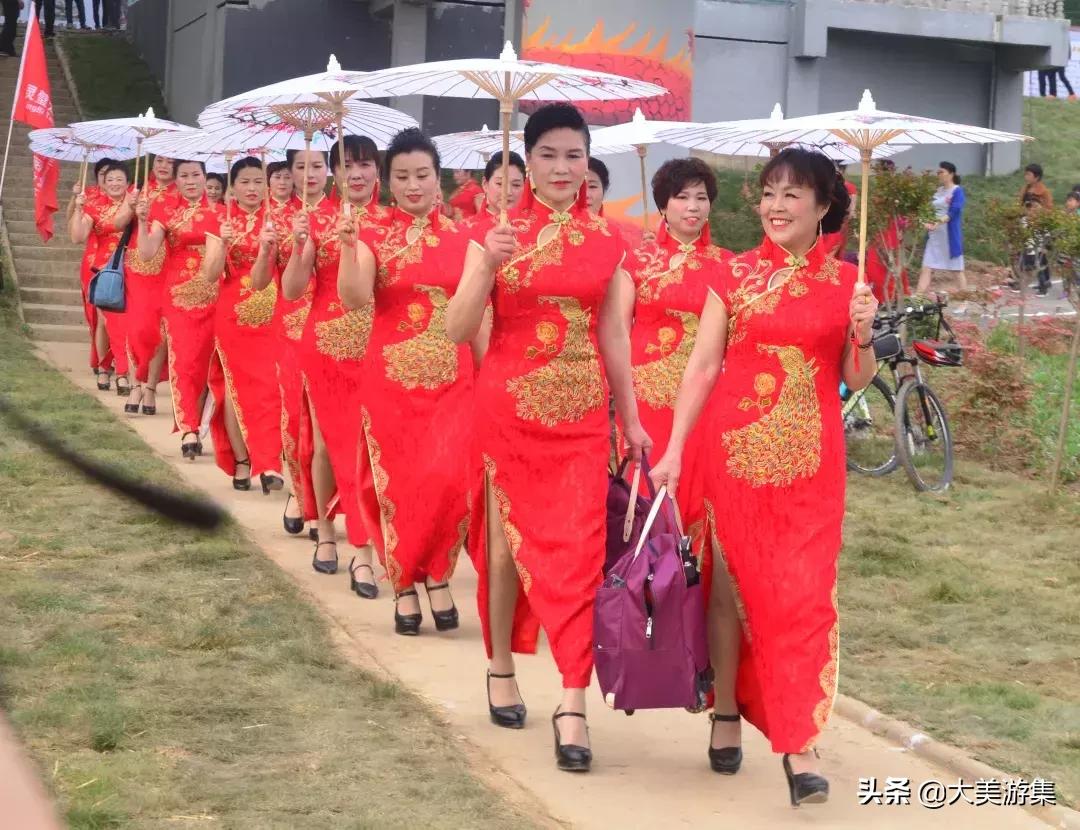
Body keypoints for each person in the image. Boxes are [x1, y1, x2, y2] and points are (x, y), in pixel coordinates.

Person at [648, 147, 877, 805]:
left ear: (825, 205)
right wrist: (674, 451)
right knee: (730, 584)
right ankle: (724, 709)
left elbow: (855, 380)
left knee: (802, 593)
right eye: (769, 193)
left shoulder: (850, 284)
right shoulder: (734, 275)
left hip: (811, 463)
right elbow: (701, 367)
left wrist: (863, 334)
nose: (776, 206)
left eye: (792, 194)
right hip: (734, 455)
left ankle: (797, 741)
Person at [445, 103, 650, 773]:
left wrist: (632, 417)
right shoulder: (492, 234)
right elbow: (454, 330)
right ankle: (500, 662)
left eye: (574, 156)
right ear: (526, 162)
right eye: (549, 156)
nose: (563, 168)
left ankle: (571, 701)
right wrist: (485, 267)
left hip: (584, 418)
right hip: (509, 409)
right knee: (505, 549)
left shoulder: (611, 242)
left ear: (587, 163)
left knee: (581, 555)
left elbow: (614, 335)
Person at [338, 127, 473, 634]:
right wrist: (349, 251)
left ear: (439, 180)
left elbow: (480, 313)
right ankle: (405, 582)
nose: (413, 185)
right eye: (403, 177)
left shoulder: (465, 241)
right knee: (397, 479)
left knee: (446, 480)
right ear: (388, 182)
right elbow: (354, 298)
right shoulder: (371, 234)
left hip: (454, 379)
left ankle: (437, 570)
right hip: (391, 379)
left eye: (423, 175)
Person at [281, 141, 382, 586]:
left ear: (379, 171)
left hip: (381, 349)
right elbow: (291, 290)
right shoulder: (318, 221)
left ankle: (371, 543)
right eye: (346, 166)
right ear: (334, 174)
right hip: (326, 343)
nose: (356, 174)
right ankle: (330, 531)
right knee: (328, 443)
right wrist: (303, 244)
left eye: (364, 164)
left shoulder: (396, 224)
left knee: (372, 449)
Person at [614, 158, 732, 490]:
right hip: (644, 401)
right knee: (643, 491)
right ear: (664, 204)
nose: (693, 206)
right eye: (682, 196)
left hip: (706, 400)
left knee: (699, 486)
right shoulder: (637, 261)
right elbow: (619, 333)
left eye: (701, 197)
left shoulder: (730, 267)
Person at [204, 157, 284, 494]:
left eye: (257, 182)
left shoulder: (279, 219)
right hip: (233, 317)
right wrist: (221, 243)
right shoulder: (221, 221)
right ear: (232, 186)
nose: (252, 189)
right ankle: (242, 459)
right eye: (245, 182)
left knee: (269, 391)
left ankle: (269, 462)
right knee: (235, 391)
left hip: (275, 316)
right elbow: (210, 275)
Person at [134, 159, 225, 458]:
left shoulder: (224, 213)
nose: (190, 180)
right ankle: (188, 428)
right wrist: (144, 222)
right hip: (179, 297)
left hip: (219, 296)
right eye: (183, 175)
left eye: (195, 174)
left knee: (212, 364)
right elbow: (146, 253)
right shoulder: (167, 213)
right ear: (176, 179)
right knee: (185, 360)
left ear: (205, 176)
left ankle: (208, 423)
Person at [251, 157, 316, 539]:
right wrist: (266, 249)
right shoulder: (274, 221)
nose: (309, 175)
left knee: (331, 426)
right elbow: (260, 282)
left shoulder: (345, 217)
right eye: (302, 168)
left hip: (340, 333)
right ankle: (298, 491)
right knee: (295, 412)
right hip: (291, 326)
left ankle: (325, 505)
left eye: (319, 166)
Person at [68, 162, 134, 395]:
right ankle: (116, 371)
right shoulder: (94, 206)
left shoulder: (138, 203)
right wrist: (78, 208)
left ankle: (108, 367)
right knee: (104, 320)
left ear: (128, 183)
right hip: (104, 270)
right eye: (110, 180)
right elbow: (77, 236)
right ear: (103, 185)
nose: (115, 183)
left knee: (121, 322)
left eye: (120, 179)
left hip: (133, 268)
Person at [124, 154, 179, 417]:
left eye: (169, 161)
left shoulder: (182, 195)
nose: (163, 165)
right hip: (136, 266)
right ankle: (135, 382)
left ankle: (150, 387)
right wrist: (130, 206)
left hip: (168, 267)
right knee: (137, 326)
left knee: (160, 330)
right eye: (159, 160)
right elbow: (118, 223)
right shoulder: (138, 189)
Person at [68, 158, 115, 387]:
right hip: (92, 262)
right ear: (97, 177)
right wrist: (75, 200)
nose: (108, 178)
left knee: (112, 315)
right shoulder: (89, 198)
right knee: (93, 314)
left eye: (112, 174)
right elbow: (74, 228)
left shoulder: (126, 200)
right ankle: (99, 359)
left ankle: (109, 361)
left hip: (117, 265)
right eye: (103, 174)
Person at [917, 161, 966, 293]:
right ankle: (917, 299)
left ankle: (965, 301)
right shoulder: (938, 191)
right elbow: (928, 209)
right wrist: (925, 221)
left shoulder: (957, 191)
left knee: (956, 270)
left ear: (951, 174)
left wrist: (938, 222)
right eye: (938, 172)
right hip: (934, 236)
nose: (939, 174)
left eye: (941, 172)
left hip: (949, 235)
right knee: (926, 267)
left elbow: (954, 211)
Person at [457, 150, 526, 242]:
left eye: (516, 185)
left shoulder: (533, 226)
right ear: (485, 184)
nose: (508, 192)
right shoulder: (465, 229)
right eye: (500, 183)